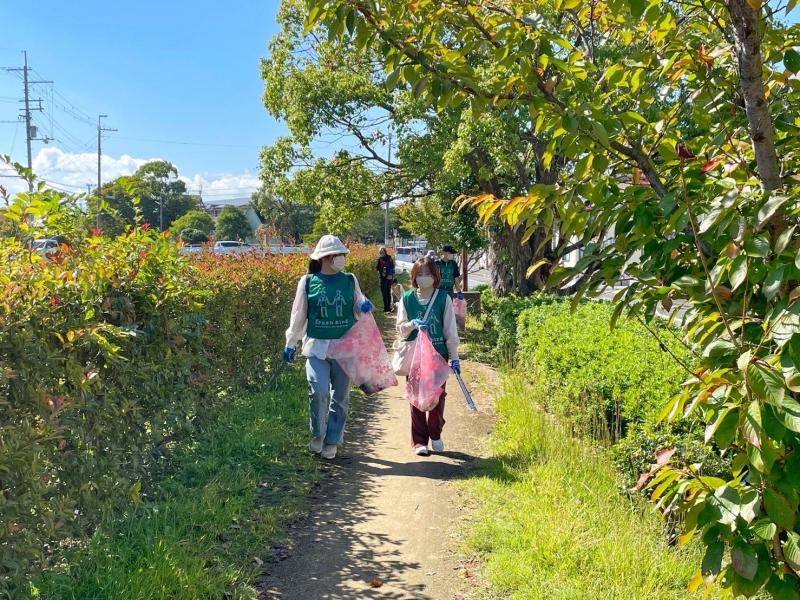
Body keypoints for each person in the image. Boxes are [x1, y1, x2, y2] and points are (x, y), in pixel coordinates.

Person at [283, 235, 374, 460]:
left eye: (342, 255)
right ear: (324, 257)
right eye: (336, 255)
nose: (341, 259)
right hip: (316, 348)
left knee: (340, 398)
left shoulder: (350, 280)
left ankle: (333, 440)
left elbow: (357, 304)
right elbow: (299, 315)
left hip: (345, 348)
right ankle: (318, 433)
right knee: (319, 391)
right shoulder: (307, 282)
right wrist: (290, 342)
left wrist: (363, 305)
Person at [395, 256, 460, 456]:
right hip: (415, 355)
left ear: (435, 276)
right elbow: (400, 329)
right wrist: (412, 324)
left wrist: (454, 356)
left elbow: (450, 329)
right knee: (416, 398)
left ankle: (436, 433)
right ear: (413, 277)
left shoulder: (443, 298)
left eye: (428, 274)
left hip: (438, 356)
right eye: (420, 274)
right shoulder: (406, 299)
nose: (424, 278)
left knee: (437, 397)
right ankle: (419, 441)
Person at [376, 246, 396, 312]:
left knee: (385, 293)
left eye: (381, 252)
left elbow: (377, 268)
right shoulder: (389, 257)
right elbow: (393, 266)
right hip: (388, 278)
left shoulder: (380, 259)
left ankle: (386, 308)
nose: (381, 253)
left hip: (384, 278)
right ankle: (388, 308)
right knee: (387, 293)